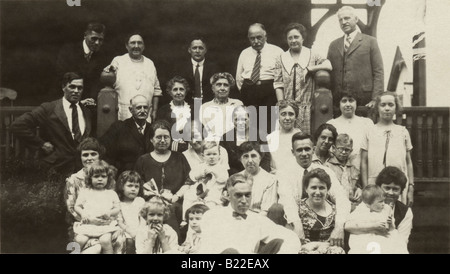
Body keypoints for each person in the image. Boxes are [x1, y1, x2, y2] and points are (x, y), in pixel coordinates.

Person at [277, 132, 351, 247]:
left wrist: (339, 227)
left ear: (313, 149)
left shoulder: (324, 170)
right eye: (299, 150)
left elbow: (341, 198)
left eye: (307, 149)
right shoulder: (284, 173)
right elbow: (287, 201)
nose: (304, 153)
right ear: (293, 152)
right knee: (276, 210)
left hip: (322, 222)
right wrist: (297, 225)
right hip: (295, 220)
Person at [11, 72, 91, 175]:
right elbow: (17, 125)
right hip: (56, 169)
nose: (76, 91)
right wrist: (41, 144)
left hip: (82, 170)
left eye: (80, 88)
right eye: (72, 87)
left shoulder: (86, 112)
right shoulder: (49, 108)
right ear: (63, 87)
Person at [199, 173, 301, 254]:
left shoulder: (256, 219)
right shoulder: (212, 216)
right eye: (238, 195)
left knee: (278, 242)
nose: (244, 200)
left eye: (247, 195)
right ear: (227, 195)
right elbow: (207, 250)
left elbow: (291, 237)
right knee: (231, 252)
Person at [134, 120, 191, 235]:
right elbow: (137, 184)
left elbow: (188, 181)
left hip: (175, 203)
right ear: (151, 139)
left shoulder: (179, 158)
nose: (163, 140)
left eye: (166, 137)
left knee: (173, 211)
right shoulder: (143, 160)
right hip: (150, 203)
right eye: (159, 137)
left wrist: (176, 196)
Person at [274, 23, 332, 134]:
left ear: (303, 38)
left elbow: (329, 65)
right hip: (287, 110)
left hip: (306, 109)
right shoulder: (281, 58)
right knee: (286, 137)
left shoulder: (312, 54)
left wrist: (311, 68)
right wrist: (281, 105)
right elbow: (278, 84)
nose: (293, 40)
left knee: (304, 140)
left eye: (296, 37)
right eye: (290, 38)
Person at [361, 91, 414, 206]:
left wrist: (411, 188)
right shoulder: (369, 131)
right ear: (377, 108)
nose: (387, 108)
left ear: (396, 108)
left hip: (397, 186)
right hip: (374, 182)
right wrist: (366, 187)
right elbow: (364, 162)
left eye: (391, 105)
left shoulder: (402, 131)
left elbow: (408, 162)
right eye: (383, 105)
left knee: (397, 216)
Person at [327, 6, 384, 111]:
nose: (344, 22)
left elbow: (378, 71)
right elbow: (329, 73)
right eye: (341, 20)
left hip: (364, 100)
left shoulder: (370, 42)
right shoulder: (333, 45)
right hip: (338, 102)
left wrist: (376, 99)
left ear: (356, 19)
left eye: (347, 18)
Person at [346, 166, 413, 252]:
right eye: (387, 188)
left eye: (395, 189)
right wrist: (374, 228)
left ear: (401, 191)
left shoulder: (405, 212)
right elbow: (348, 226)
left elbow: (402, 241)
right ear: (379, 187)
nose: (390, 193)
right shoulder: (368, 204)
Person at [236, 23, 283, 133]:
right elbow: (239, 77)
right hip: (249, 93)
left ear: (265, 36)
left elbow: (282, 78)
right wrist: (248, 90)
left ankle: (266, 149)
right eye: (252, 38)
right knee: (250, 125)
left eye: (259, 37)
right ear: (248, 39)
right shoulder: (244, 53)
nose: (256, 41)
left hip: (269, 93)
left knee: (269, 126)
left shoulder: (277, 51)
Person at [105, 32, 162, 122]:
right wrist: (110, 70)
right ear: (126, 46)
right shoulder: (118, 61)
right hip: (123, 114)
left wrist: (154, 111)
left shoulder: (149, 63)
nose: (136, 46)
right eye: (133, 43)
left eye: (139, 43)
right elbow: (108, 77)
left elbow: (156, 90)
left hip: (146, 115)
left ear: (144, 46)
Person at [73, 160, 121, 254]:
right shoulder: (85, 192)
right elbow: (77, 206)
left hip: (105, 225)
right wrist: (83, 214)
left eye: (103, 176)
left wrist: (109, 213)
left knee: (105, 241)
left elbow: (117, 208)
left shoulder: (111, 193)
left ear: (108, 178)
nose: (100, 179)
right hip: (88, 224)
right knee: (79, 240)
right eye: (96, 176)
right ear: (90, 178)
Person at [56, 22, 108, 104]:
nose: (97, 43)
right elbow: (62, 79)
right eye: (94, 39)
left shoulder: (102, 56)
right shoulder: (68, 52)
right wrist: (78, 102)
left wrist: (92, 100)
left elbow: (98, 83)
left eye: (100, 40)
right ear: (85, 36)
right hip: (68, 101)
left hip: (90, 104)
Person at [99, 94, 153, 174]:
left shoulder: (153, 129)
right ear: (131, 110)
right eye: (138, 107)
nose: (142, 111)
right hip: (125, 175)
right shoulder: (119, 127)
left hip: (148, 175)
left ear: (149, 109)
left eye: (145, 107)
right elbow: (104, 150)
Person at [298, 168, 345, 254]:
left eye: (322, 188)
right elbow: (290, 239)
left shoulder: (336, 211)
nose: (318, 192)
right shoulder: (297, 208)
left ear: (328, 189)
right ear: (306, 189)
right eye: (313, 187)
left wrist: (317, 245)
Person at [327, 92, 374, 168]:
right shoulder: (331, 124)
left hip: (362, 166)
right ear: (339, 104)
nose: (348, 104)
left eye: (351, 101)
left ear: (356, 103)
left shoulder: (367, 123)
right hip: (339, 167)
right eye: (344, 101)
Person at [220, 105, 271, 175]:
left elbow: (266, 160)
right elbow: (224, 163)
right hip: (235, 177)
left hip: (258, 175)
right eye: (236, 119)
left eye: (244, 119)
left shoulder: (261, 135)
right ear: (232, 120)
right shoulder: (225, 138)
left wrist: (260, 176)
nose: (240, 122)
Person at [172, 36, 221, 105]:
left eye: (201, 48)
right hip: (186, 104)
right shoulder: (180, 68)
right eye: (194, 48)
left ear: (205, 50)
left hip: (209, 104)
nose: (197, 51)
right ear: (189, 50)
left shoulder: (214, 68)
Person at [183, 141, 229, 213]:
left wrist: (215, 173)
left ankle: (209, 219)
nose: (211, 157)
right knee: (188, 196)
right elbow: (192, 176)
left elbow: (224, 180)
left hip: (214, 192)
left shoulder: (221, 168)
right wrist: (199, 175)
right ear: (203, 156)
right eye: (208, 154)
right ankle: (185, 218)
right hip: (200, 191)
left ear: (219, 155)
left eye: (214, 154)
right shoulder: (201, 166)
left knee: (211, 203)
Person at [200, 72, 243, 140]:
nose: (222, 88)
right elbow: (204, 132)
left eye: (225, 85)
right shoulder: (205, 107)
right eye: (219, 85)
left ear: (229, 88)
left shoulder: (237, 104)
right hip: (212, 144)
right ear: (213, 88)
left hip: (233, 143)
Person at [325, 133, 362, 211]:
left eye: (347, 150)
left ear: (351, 151)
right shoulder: (327, 167)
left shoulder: (354, 169)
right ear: (334, 148)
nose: (344, 152)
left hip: (353, 205)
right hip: (335, 206)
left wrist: (359, 189)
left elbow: (358, 185)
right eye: (341, 149)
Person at [266, 99, 301, 174]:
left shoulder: (300, 137)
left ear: (296, 117)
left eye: (291, 114)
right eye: (283, 114)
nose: (287, 118)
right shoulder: (270, 138)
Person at [156, 76, 192, 146]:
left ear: (186, 91)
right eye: (175, 90)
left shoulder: (193, 110)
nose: (178, 92)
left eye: (181, 89)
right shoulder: (163, 111)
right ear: (170, 92)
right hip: (170, 147)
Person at [116, 170, 146, 254]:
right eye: (130, 186)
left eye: (136, 186)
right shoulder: (119, 203)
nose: (133, 189)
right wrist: (130, 232)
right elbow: (119, 222)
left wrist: (139, 232)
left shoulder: (140, 201)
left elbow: (143, 219)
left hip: (140, 229)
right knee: (127, 241)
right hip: (125, 231)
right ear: (122, 186)